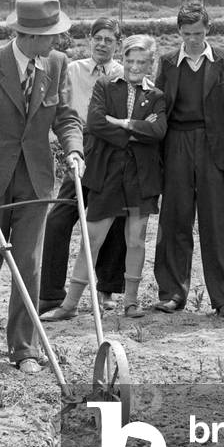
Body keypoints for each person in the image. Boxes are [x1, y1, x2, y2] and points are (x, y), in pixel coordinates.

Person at [0, 0, 84, 374]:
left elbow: (67, 118)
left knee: (28, 261)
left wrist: (74, 150)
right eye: (51, 34)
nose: (57, 40)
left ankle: (24, 349)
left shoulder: (56, 64)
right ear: (28, 35)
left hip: (36, 179)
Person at [43, 34, 166, 321]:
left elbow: (158, 131)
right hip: (108, 174)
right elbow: (96, 123)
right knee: (92, 238)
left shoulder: (157, 96)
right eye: (130, 60)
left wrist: (121, 123)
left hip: (140, 178)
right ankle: (70, 304)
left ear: (151, 63)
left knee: (135, 239)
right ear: (123, 60)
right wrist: (136, 131)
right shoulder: (105, 85)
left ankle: (131, 302)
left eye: (142, 62)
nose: (135, 67)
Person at [149, 1, 224, 317]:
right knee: (175, 218)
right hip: (176, 143)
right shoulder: (167, 62)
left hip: (213, 145)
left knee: (217, 222)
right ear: (179, 32)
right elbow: (158, 111)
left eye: (199, 33)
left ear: (208, 30)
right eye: (187, 34)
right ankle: (173, 292)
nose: (193, 40)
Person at [39, 18, 127, 313]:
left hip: (113, 150)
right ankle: (51, 292)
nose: (102, 44)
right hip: (82, 147)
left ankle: (108, 290)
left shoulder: (123, 75)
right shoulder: (73, 70)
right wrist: (71, 145)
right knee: (58, 219)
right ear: (91, 40)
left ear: (118, 44)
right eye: (98, 38)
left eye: (109, 40)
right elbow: (62, 112)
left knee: (113, 219)